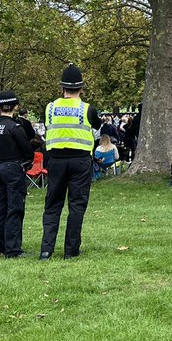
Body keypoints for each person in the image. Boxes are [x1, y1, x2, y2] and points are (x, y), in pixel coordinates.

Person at [41, 64, 101, 259]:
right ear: (81, 88)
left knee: (52, 206)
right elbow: (97, 125)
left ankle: (46, 250)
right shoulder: (87, 109)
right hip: (80, 160)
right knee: (76, 205)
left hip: (56, 160)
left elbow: (48, 127)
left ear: (62, 87)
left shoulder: (50, 108)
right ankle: (71, 251)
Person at [0, 89, 35, 258]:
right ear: (15, 106)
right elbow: (28, 150)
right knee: (15, 208)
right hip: (13, 168)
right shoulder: (15, 127)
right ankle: (13, 249)